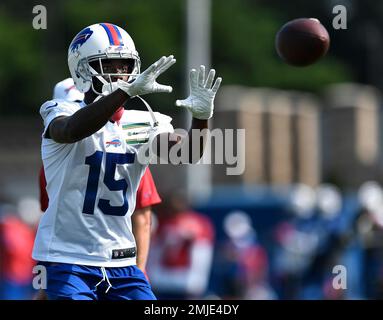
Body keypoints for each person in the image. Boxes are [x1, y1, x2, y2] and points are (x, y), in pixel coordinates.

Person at [32, 22, 221, 300]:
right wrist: (125, 93)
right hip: (67, 258)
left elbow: (186, 154)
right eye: (110, 64)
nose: (120, 73)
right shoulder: (59, 109)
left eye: (125, 65)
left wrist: (202, 118)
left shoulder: (144, 121)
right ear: (83, 69)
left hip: (122, 263)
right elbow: (71, 130)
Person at [148, 193, 215, 299]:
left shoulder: (199, 223)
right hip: (164, 279)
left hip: (185, 280)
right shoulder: (163, 222)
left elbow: (202, 252)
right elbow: (155, 250)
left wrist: (196, 280)